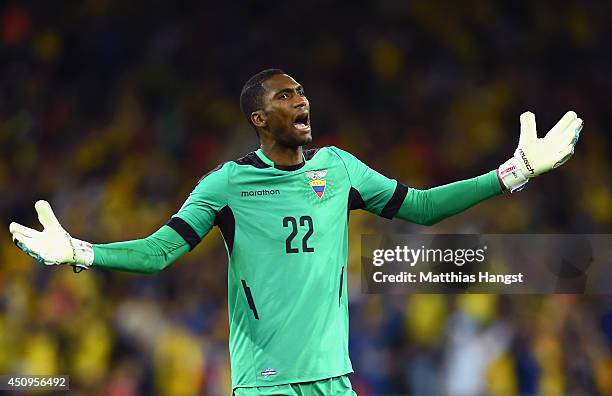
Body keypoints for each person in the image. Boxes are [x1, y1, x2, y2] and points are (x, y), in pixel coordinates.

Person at [9, 69, 583, 395]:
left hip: (334, 379)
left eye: (301, 92)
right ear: (258, 119)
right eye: (284, 97)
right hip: (266, 385)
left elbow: (425, 207)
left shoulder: (339, 169)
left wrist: (515, 173)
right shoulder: (226, 185)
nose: (301, 100)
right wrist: (79, 251)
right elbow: (161, 252)